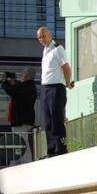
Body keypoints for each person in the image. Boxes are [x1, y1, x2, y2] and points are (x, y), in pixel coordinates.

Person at [36, 27, 73, 157]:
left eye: (43, 36)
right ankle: (51, 151)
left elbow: (66, 68)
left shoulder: (58, 49)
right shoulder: (45, 50)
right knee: (47, 122)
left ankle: (61, 150)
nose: (41, 39)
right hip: (45, 88)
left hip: (56, 88)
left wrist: (68, 83)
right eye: (39, 37)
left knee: (57, 120)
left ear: (50, 35)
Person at [2, 69, 37, 162]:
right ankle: (15, 164)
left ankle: (27, 165)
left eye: (23, 74)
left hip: (21, 122)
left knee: (22, 144)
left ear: (27, 76)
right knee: (18, 144)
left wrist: (5, 81)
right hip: (22, 121)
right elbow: (16, 88)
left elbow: (11, 90)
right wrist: (11, 80)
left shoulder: (26, 87)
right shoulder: (28, 86)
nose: (21, 75)